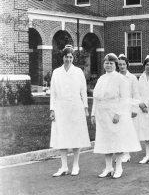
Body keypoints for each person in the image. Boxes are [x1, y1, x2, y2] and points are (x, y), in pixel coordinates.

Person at [91, 53, 141, 179]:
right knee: (105, 141)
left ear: (115, 65)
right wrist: (93, 113)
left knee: (117, 141)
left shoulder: (120, 79)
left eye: (111, 63)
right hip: (102, 114)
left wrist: (118, 114)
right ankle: (108, 167)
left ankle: (118, 167)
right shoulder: (101, 79)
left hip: (115, 115)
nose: (108, 65)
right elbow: (96, 98)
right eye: (106, 63)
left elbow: (124, 98)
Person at [50, 45, 90, 177]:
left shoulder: (78, 72)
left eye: (71, 57)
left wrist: (85, 107)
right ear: (63, 57)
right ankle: (64, 166)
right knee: (62, 136)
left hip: (75, 107)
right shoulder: (56, 72)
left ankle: (76, 165)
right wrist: (52, 109)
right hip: (60, 107)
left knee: (75, 135)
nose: (68, 59)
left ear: (73, 58)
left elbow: (83, 90)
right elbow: (53, 93)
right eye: (66, 57)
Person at [118, 54, 140, 163]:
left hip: (128, 107)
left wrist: (135, 109)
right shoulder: (116, 76)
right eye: (120, 64)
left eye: (123, 64)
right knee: (119, 131)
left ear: (127, 65)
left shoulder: (132, 78)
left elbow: (136, 94)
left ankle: (126, 153)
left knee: (127, 131)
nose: (122, 66)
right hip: (118, 108)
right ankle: (121, 152)